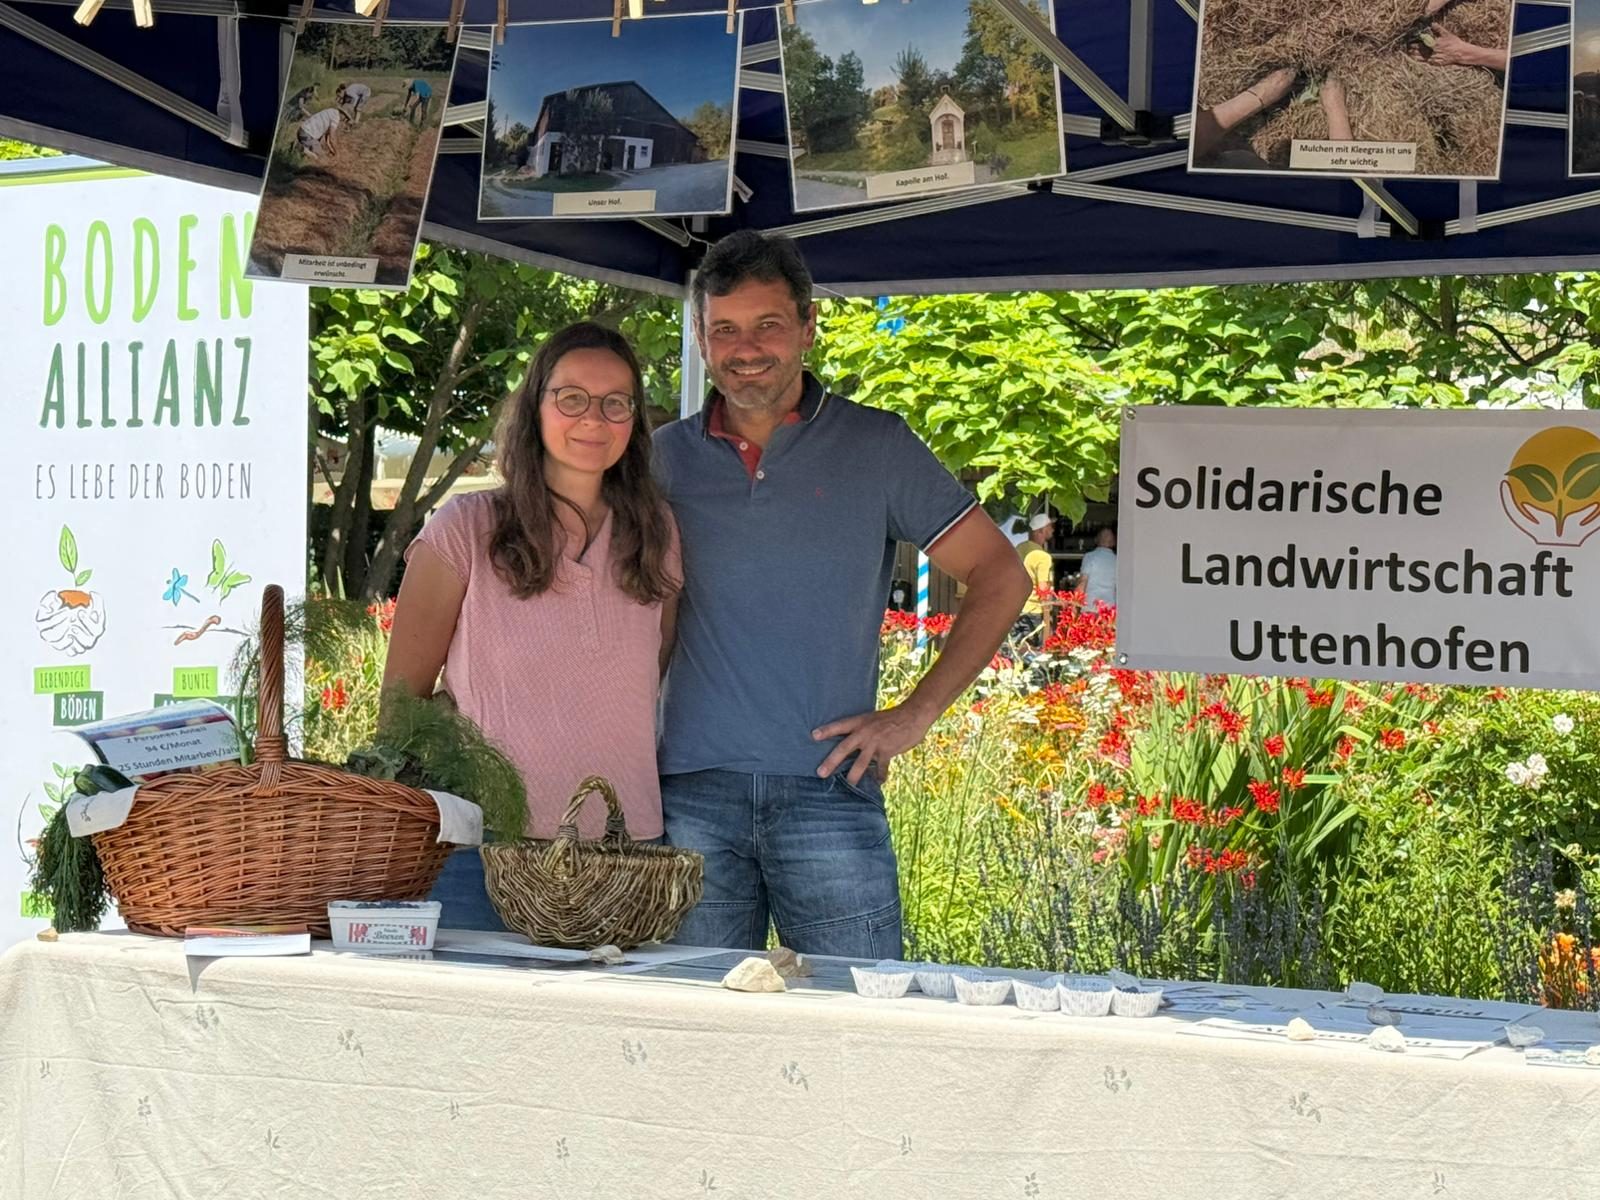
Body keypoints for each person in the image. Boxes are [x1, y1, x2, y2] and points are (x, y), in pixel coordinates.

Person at [653, 230, 1032, 958]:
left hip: (828, 792)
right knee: (692, 1033)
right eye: (724, 329)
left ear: (807, 325)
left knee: (859, 1033)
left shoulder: (878, 446)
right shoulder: (658, 459)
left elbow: (1001, 576)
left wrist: (916, 715)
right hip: (688, 797)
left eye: (767, 324)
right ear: (700, 337)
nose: (746, 347)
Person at [383, 322, 681, 930]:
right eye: (571, 397)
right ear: (535, 407)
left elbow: (650, 675)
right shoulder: (464, 529)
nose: (593, 418)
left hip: (624, 852)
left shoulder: (658, 535)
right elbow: (400, 708)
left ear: (635, 422)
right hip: (483, 849)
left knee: (615, 1028)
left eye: (615, 402)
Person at [1013, 511, 1057, 648]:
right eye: (1050, 527)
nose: (1053, 530)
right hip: (1034, 611)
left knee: (1016, 651)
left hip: (1016, 608)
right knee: (1035, 653)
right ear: (1041, 531)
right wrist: (1048, 613)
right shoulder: (1043, 557)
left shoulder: (1019, 548)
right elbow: (1043, 588)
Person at [1075, 527, 1117, 611]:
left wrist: (1074, 604)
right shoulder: (1118, 560)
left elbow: (1083, 582)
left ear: (1096, 540)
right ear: (1114, 543)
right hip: (1109, 611)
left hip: (1090, 608)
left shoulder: (1089, 557)